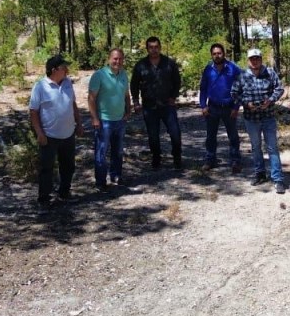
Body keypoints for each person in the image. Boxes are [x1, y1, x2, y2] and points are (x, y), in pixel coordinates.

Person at [29, 54, 84, 207]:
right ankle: (44, 200)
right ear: (54, 70)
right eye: (64, 67)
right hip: (49, 136)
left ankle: (64, 193)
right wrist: (39, 133)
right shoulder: (40, 86)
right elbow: (33, 112)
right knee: (46, 168)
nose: (67, 70)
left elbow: (73, 104)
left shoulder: (67, 83)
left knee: (68, 166)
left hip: (68, 134)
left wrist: (79, 123)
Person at [231, 48, 286, 194]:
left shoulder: (270, 73)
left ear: (261, 59)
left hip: (268, 117)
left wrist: (270, 100)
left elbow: (279, 89)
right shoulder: (242, 76)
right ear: (248, 60)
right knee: (256, 147)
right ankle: (260, 173)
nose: (255, 61)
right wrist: (246, 103)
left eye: (257, 58)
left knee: (272, 148)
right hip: (251, 118)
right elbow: (234, 93)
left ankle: (277, 179)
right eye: (252, 59)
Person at [130, 36, 183, 170]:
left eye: (156, 47)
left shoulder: (169, 63)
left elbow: (177, 81)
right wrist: (136, 102)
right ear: (147, 49)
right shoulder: (141, 65)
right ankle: (156, 158)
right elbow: (134, 84)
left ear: (160, 47)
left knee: (175, 133)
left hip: (167, 105)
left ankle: (177, 158)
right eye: (151, 47)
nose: (154, 50)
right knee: (153, 136)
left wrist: (173, 97)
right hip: (149, 106)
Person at [88, 48, 132, 189]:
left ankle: (116, 176)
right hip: (104, 120)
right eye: (115, 59)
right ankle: (101, 182)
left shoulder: (124, 74)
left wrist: (128, 111)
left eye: (120, 59)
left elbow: (126, 95)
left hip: (120, 120)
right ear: (109, 59)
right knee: (101, 152)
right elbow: (91, 98)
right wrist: (95, 118)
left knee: (118, 151)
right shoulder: (99, 75)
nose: (117, 61)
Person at [198, 43, 242, 172]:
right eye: (214, 54)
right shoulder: (208, 69)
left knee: (233, 136)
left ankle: (235, 161)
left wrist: (236, 107)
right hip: (212, 108)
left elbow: (241, 88)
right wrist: (203, 105)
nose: (217, 56)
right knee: (210, 136)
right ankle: (210, 160)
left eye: (219, 53)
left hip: (229, 107)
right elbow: (203, 88)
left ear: (224, 54)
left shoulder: (233, 68)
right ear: (211, 55)